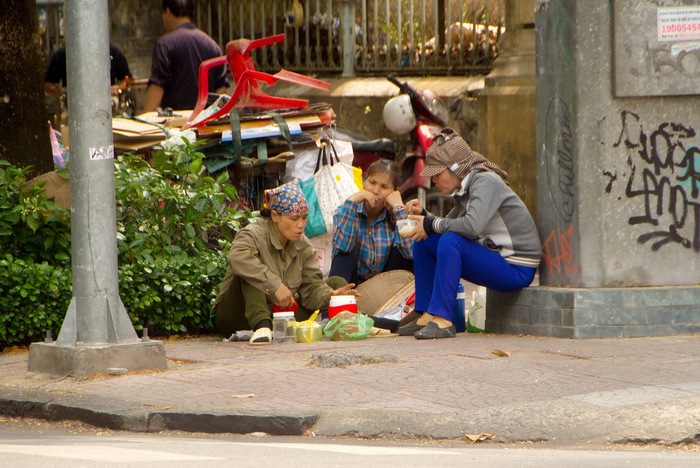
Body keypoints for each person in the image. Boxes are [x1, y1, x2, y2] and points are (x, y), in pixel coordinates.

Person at [398, 128, 542, 340]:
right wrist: (425, 217)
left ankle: (444, 319)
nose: (434, 181)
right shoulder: (466, 187)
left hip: (516, 268)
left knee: (450, 240)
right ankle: (426, 311)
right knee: (425, 242)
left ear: (455, 168)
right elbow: (449, 224)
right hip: (496, 259)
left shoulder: (485, 182)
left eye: (437, 173)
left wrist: (431, 223)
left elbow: (471, 227)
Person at [211, 179, 358, 345]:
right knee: (250, 272)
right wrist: (275, 286)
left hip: (278, 316)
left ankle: (337, 324)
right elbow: (237, 258)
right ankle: (261, 327)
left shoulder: (303, 244)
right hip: (236, 315)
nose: (301, 225)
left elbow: (311, 287)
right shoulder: (253, 234)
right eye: (294, 218)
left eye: (304, 218)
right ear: (275, 216)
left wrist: (330, 295)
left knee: (337, 283)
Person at [330, 159, 414, 285]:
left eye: (384, 187)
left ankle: (399, 303)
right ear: (364, 181)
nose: (375, 190)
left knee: (402, 254)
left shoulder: (398, 215)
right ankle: (339, 302)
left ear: (394, 191)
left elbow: (411, 252)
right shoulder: (346, 210)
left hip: (384, 286)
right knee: (344, 256)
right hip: (353, 284)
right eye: (372, 182)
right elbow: (342, 246)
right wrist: (352, 201)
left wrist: (398, 206)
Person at [144, 0, 228, 112]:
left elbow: (157, 86)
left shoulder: (165, 45)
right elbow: (221, 91)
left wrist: (144, 119)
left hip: (176, 123)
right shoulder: (212, 46)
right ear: (192, 12)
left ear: (167, 12)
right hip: (205, 121)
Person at [44, 42, 132, 96]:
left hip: (107, 111)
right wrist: (62, 92)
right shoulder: (62, 54)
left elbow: (127, 79)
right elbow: (47, 83)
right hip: (73, 111)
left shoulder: (112, 52)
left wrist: (117, 88)